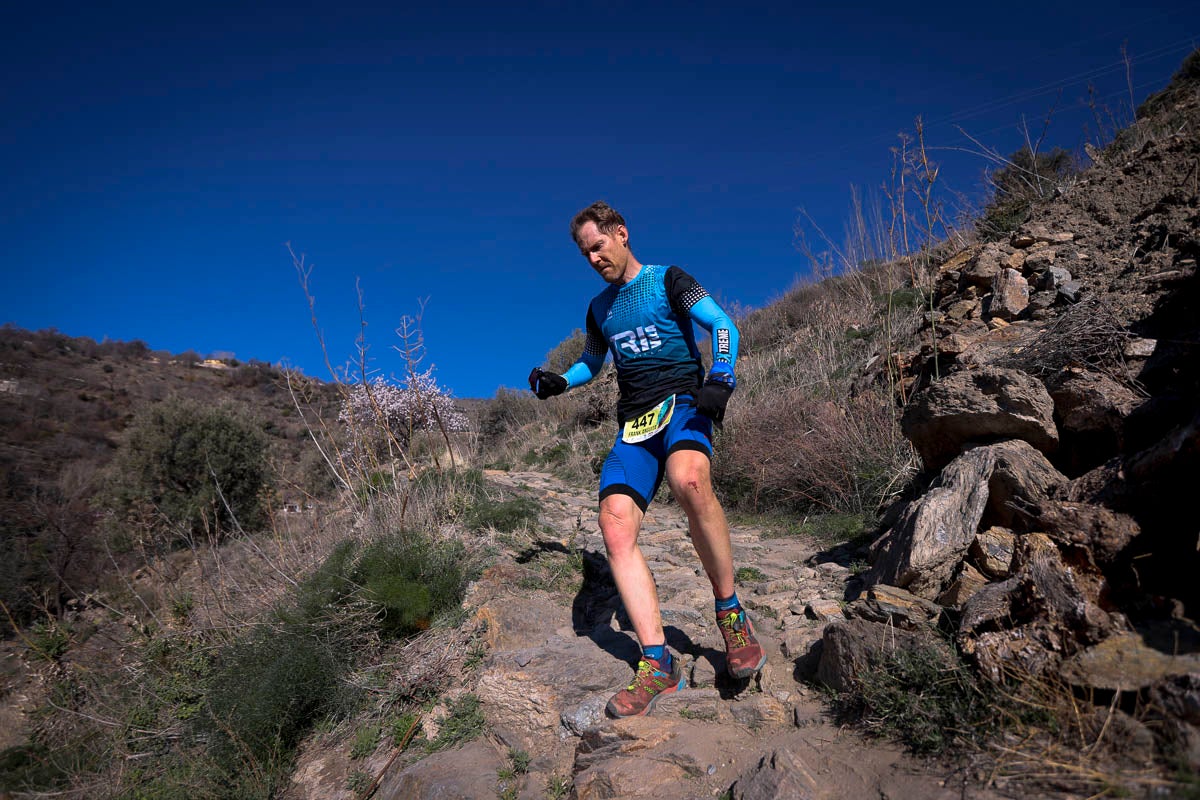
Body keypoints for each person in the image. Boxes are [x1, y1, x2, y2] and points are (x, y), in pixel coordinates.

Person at [528, 201, 766, 718]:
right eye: (584, 252)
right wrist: (559, 381)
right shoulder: (598, 309)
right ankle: (657, 663)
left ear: (621, 234)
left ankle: (731, 615)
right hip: (635, 424)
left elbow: (721, 323)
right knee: (614, 526)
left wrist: (720, 376)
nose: (593, 258)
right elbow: (593, 361)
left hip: (684, 403)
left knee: (690, 480)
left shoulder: (668, 279)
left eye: (598, 246)